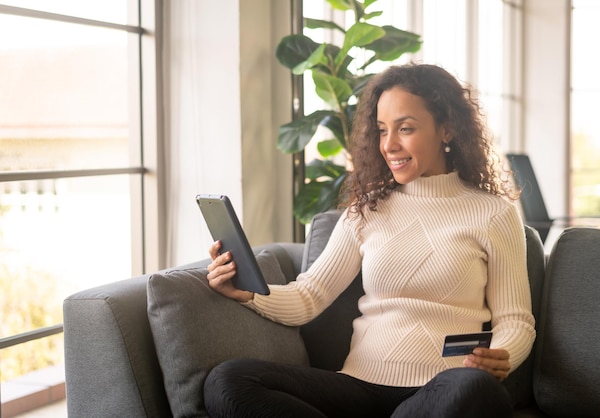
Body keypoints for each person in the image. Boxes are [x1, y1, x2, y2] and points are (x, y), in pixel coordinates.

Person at [203, 63, 536, 418]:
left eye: (405, 128)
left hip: (443, 391)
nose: (389, 145)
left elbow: (515, 321)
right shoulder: (367, 207)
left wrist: (502, 355)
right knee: (228, 381)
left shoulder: (493, 213)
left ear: (447, 129)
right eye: (381, 130)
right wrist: (250, 292)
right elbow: (309, 296)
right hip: (358, 387)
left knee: (475, 389)